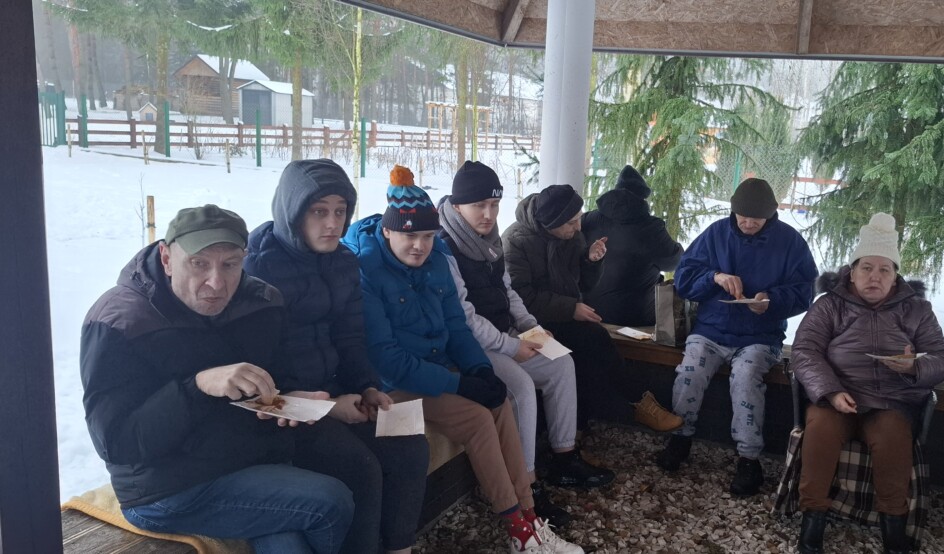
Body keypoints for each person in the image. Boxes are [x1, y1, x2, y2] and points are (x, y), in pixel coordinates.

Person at [80, 204, 354, 553]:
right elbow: (116, 443)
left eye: (230, 264)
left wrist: (288, 399)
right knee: (330, 501)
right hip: (167, 489)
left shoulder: (261, 302)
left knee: (291, 536)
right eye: (199, 264)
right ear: (167, 258)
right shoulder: (120, 321)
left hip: (246, 460)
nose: (216, 282)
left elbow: (276, 378)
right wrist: (197, 387)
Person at [344, 165, 583, 554]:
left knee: (499, 400)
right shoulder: (367, 272)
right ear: (388, 231)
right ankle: (517, 529)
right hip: (393, 387)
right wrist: (459, 382)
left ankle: (529, 513)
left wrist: (480, 370)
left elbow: (457, 326)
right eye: (409, 235)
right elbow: (387, 360)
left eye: (427, 235)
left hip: (438, 370)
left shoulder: (437, 261)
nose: (419, 246)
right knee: (477, 417)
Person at [243, 159, 430, 554]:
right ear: (293, 213)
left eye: (340, 212)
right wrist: (327, 408)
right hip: (282, 413)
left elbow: (349, 336)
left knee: (409, 443)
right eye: (319, 211)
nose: (332, 223)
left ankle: (399, 547)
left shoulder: (343, 261)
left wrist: (367, 387)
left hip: (335, 393)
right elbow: (259, 376)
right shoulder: (258, 269)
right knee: (358, 467)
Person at [436, 161, 615, 528]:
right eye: (479, 205)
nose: (488, 214)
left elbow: (508, 292)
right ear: (457, 206)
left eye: (494, 204)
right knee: (519, 388)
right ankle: (527, 485)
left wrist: (532, 328)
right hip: (468, 347)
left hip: (503, 334)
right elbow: (463, 318)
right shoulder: (444, 247)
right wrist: (510, 345)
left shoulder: (490, 241)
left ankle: (564, 457)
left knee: (560, 363)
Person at [790, 212, 944, 554]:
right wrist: (831, 391)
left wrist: (913, 368)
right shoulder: (829, 305)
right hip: (836, 398)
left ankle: (894, 530)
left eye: (884, 270)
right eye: (866, 268)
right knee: (820, 431)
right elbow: (804, 351)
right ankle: (812, 524)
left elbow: (942, 357)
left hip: (891, 402)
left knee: (893, 438)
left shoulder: (917, 310)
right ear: (852, 271)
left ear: (895, 277)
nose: (874, 277)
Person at [654, 177, 818, 496]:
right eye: (742, 218)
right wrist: (714, 277)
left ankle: (749, 459)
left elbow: (804, 291)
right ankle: (680, 437)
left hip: (761, 335)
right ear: (733, 212)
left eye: (756, 219)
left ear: (770, 215)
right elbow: (684, 279)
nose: (748, 224)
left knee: (745, 377)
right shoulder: (716, 233)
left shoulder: (790, 242)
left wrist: (771, 301)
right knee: (690, 371)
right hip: (711, 330)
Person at [502, 183, 684, 433]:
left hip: (559, 315)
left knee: (592, 343)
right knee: (588, 344)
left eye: (579, 218)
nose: (579, 227)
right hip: (525, 325)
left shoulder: (570, 235)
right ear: (551, 223)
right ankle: (636, 405)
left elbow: (583, 285)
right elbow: (520, 297)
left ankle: (591, 426)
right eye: (571, 222)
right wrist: (571, 308)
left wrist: (591, 261)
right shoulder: (516, 241)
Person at [580, 165, 683, 326]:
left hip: (588, 309)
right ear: (642, 198)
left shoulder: (590, 218)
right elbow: (673, 262)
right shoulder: (651, 228)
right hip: (634, 315)